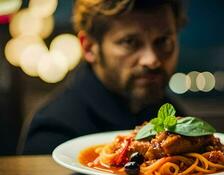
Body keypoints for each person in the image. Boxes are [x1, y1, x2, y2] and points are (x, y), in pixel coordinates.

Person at [21, 0, 187, 154]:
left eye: (163, 41)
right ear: (89, 48)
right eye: (129, 42)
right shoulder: (54, 130)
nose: (151, 60)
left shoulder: (175, 116)